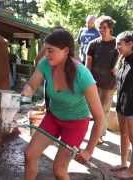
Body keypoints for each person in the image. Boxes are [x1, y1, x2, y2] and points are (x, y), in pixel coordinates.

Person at [22, 30, 103, 180]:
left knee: (59, 170)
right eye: (45, 50)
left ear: (66, 51)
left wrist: (89, 150)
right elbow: (31, 85)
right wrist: (26, 92)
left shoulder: (83, 75)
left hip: (76, 124)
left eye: (50, 50)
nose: (46, 54)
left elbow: (99, 118)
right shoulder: (45, 64)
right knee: (29, 154)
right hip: (53, 117)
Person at [86, 15, 118, 143]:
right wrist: (87, 80)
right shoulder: (93, 44)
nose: (101, 30)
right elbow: (87, 64)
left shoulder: (117, 43)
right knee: (93, 110)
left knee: (104, 110)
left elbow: (123, 61)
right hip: (93, 83)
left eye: (104, 27)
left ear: (110, 28)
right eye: (100, 27)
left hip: (110, 84)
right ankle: (96, 133)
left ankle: (98, 135)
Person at [111, 31, 133, 178]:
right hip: (121, 103)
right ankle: (123, 163)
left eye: (120, 44)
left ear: (130, 44)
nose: (117, 46)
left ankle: (132, 171)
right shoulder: (123, 58)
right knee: (123, 134)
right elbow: (116, 75)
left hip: (132, 107)